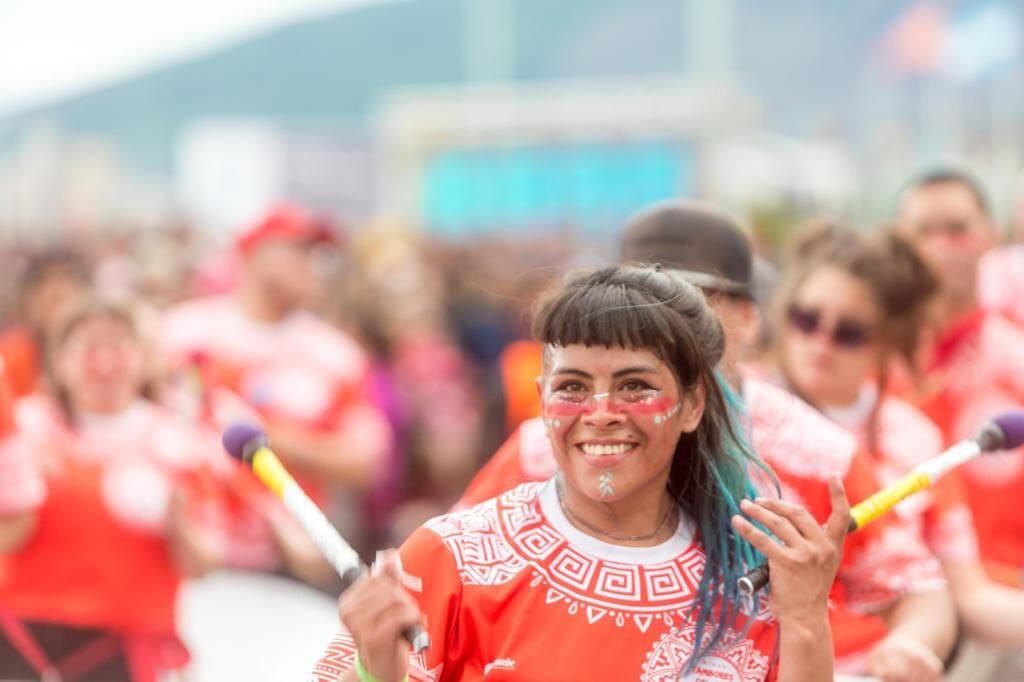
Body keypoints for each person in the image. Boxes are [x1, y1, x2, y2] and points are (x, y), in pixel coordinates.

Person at [458, 201, 954, 680]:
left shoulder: (818, 452)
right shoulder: (542, 448)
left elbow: (918, 589)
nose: (670, 325)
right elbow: (451, 583)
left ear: (750, 318)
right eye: (643, 306)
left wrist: (907, 648)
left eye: (697, 301)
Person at [314, 264, 847, 682]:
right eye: (572, 387)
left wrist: (803, 621)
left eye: (635, 385)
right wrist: (373, 675)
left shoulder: (749, 579)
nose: (600, 412)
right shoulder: (454, 557)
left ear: (692, 405)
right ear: (542, 400)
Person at [772, 222, 1024, 649]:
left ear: (890, 342)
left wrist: (910, 644)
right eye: (806, 319)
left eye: (849, 331)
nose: (820, 343)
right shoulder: (742, 416)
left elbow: (971, 596)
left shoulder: (915, 438)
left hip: (889, 661)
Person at [0, 296, 240, 681]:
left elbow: (206, 562)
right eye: (88, 346)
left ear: (145, 358)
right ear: (58, 361)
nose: (105, 362)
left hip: (124, 646)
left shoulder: (180, 443)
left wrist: (177, 523)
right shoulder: (25, 430)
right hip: (20, 634)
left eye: (119, 344)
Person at [161, 204, 393, 571]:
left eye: (318, 255)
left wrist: (267, 440)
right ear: (254, 254)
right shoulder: (183, 334)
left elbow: (367, 462)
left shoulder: (335, 355)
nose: (314, 266)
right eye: (299, 251)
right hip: (190, 553)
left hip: (289, 559)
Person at [898, 170, 1024, 587]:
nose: (940, 247)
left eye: (957, 230)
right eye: (924, 232)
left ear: (990, 234)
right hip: (905, 606)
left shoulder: (1015, 357)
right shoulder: (867, 357)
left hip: (1008, 604)